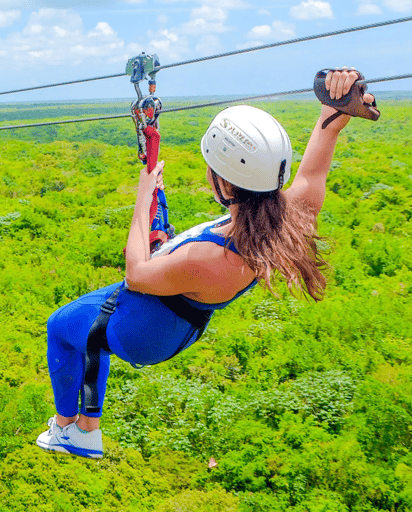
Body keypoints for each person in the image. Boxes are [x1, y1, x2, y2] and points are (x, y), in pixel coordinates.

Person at [36, 69, 376, 459]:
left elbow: (136, 273)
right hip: (178, 323)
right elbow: (314, 168)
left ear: (224, 183)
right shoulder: (284, 217)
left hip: (143, 328)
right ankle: (87, 427)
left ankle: (69, 430)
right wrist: (336, 108)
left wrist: (142, 197)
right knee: (89, 335)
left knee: (61, 328)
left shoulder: (211, 256)